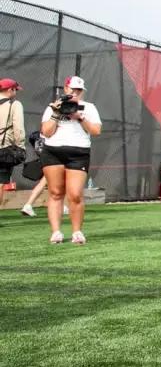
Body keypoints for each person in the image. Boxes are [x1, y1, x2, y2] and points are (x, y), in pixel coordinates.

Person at [40, 76, 102, 244]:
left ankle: (77, 232)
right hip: (53, 151)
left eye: (79, 90)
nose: (75, 93)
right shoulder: (53, 106)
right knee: (55, 192)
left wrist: (80, 117)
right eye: (72, 89)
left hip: (78, 153)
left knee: (75, 194)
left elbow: (96, 131)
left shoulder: (88, 108)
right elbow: (46, 132)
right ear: (65, 89)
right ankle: (56, 232)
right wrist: (55, 113)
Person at [0, 78, 26, 213]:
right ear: (10, 90)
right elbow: (18, 129)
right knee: (0, 181)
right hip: (4, 149)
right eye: (15, 89)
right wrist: (20, 145)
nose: (16, 92)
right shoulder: (14, 104)